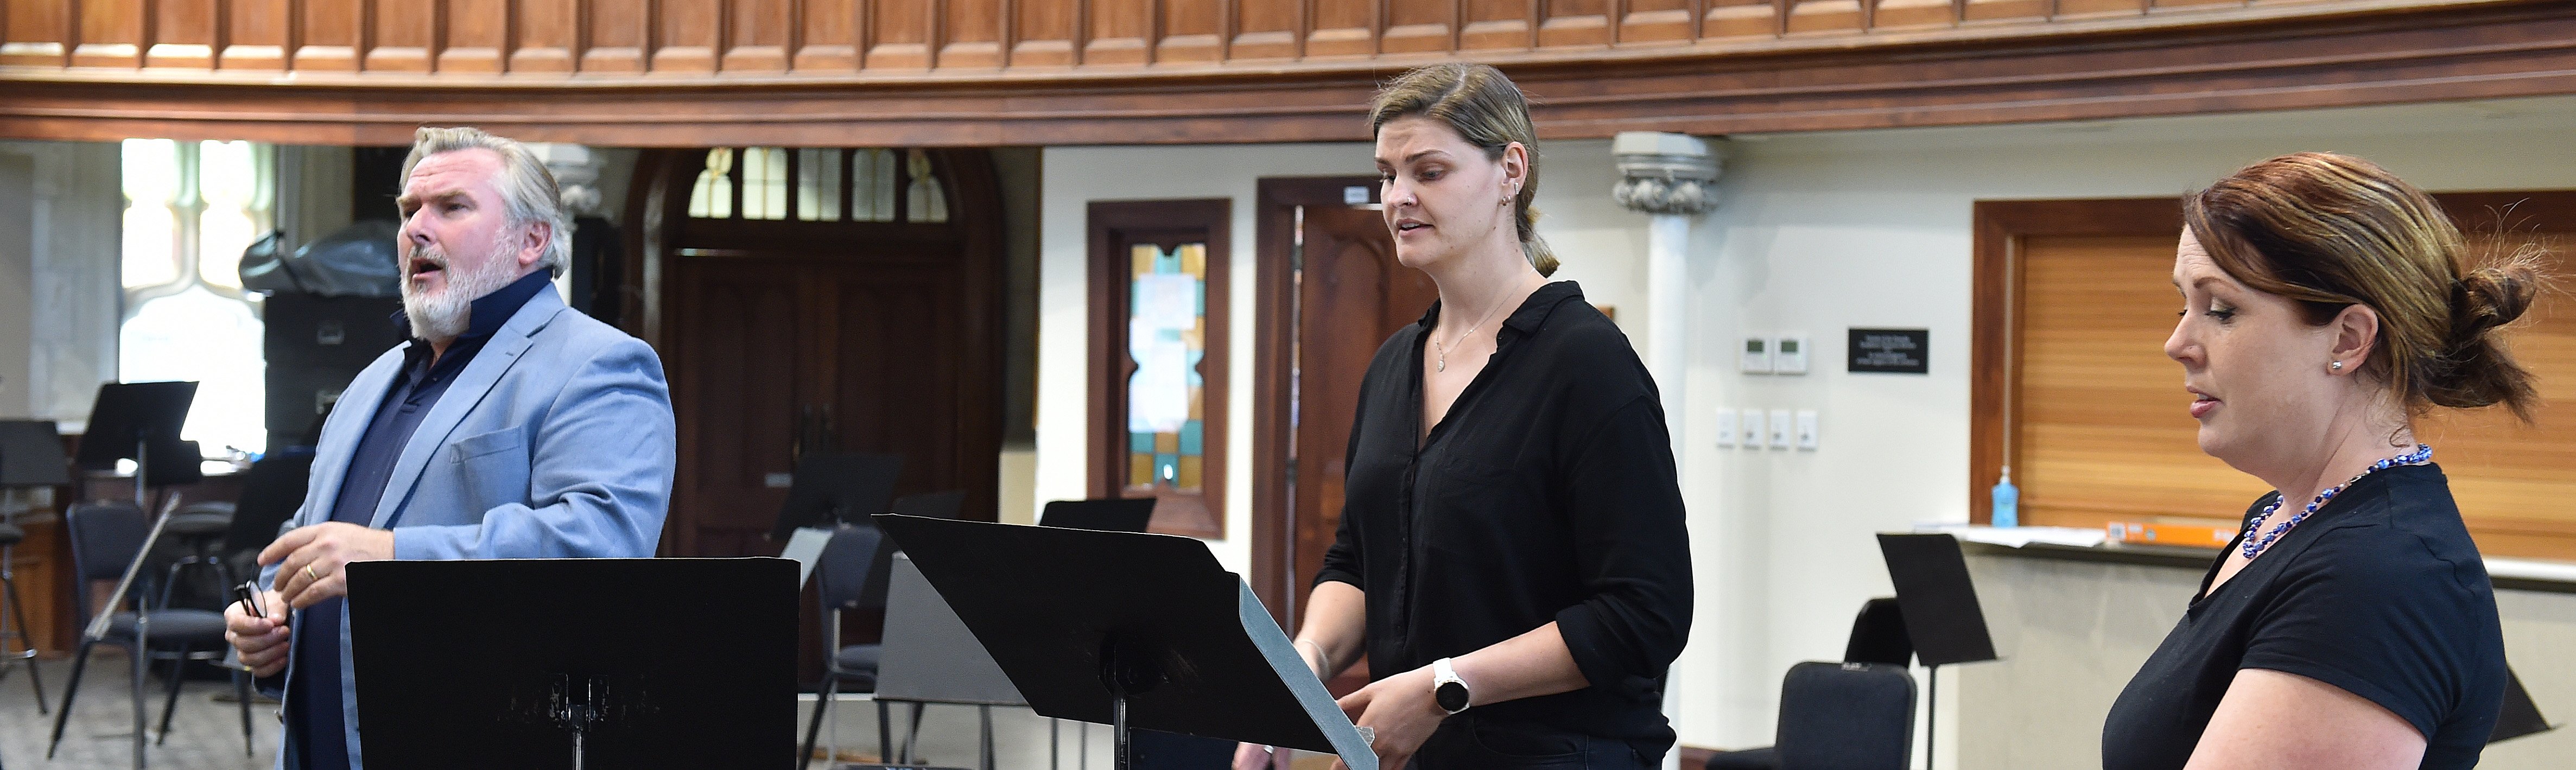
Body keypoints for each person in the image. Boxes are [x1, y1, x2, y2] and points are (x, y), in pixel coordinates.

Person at [1239, 63, 1692, 770]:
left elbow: (1643, 613)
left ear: (1510, 170)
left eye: (1429, 170)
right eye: (1387, 174)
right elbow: (1357, 561)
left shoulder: (1588, 365)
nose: (1398, 197)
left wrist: (1444, 685)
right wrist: (1302, 667)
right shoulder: (1393, 365)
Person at [221, 126, 677, 770]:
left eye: (452, 207)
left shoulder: (600, 364)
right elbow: (311, 541)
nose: (417, 230)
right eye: (410, 212)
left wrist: (388, 556)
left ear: (532, 240)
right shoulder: (369, 384)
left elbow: (599, 546)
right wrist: (273, 617)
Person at [2102, 152, 2528, 770]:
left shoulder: (2379, 579)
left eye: (2220, 310)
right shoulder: (2281, 518)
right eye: (2183, 306)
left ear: (2349, 339)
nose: (2178, 344)